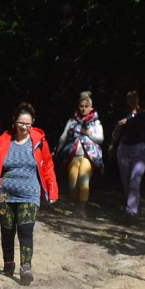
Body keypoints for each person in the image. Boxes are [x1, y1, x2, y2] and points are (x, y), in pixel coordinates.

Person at [0, 102, 58, 285]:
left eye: (28, 124)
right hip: (4, 194)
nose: (24, 127)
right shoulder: (4, 140)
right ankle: (8, 264)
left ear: (32, 124)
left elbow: (47, 165)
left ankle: (26, 268)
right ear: (14, 122)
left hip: (29, 193)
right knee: (7, 231)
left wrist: (52, 189)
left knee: (25, 230)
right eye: (21, 123)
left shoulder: (39, 141)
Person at [56, 91, 104, 219]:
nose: (83, 108)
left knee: (83, 181)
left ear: (90, 107)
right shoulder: (72, 121)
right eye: (81, 106)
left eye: (86, 106)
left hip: (89, 157)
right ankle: (76, 205)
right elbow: (63, 138)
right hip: (74, 156)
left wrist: (88, 133)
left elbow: (101, 138)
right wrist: (56, 150)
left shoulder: (95, 122)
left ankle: (81, 209)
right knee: (72, 184)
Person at [111, 90, 145, 222]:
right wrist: (119, 126)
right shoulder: (123, 115)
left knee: (134, 181)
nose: (132, 99)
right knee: (126, 181)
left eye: (134, 97)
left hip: (140, 150)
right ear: (126, 100)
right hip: (124, 150)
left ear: (138, 98)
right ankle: (133, 206)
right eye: (129, 97)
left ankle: (131, 212)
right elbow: (114, 136)